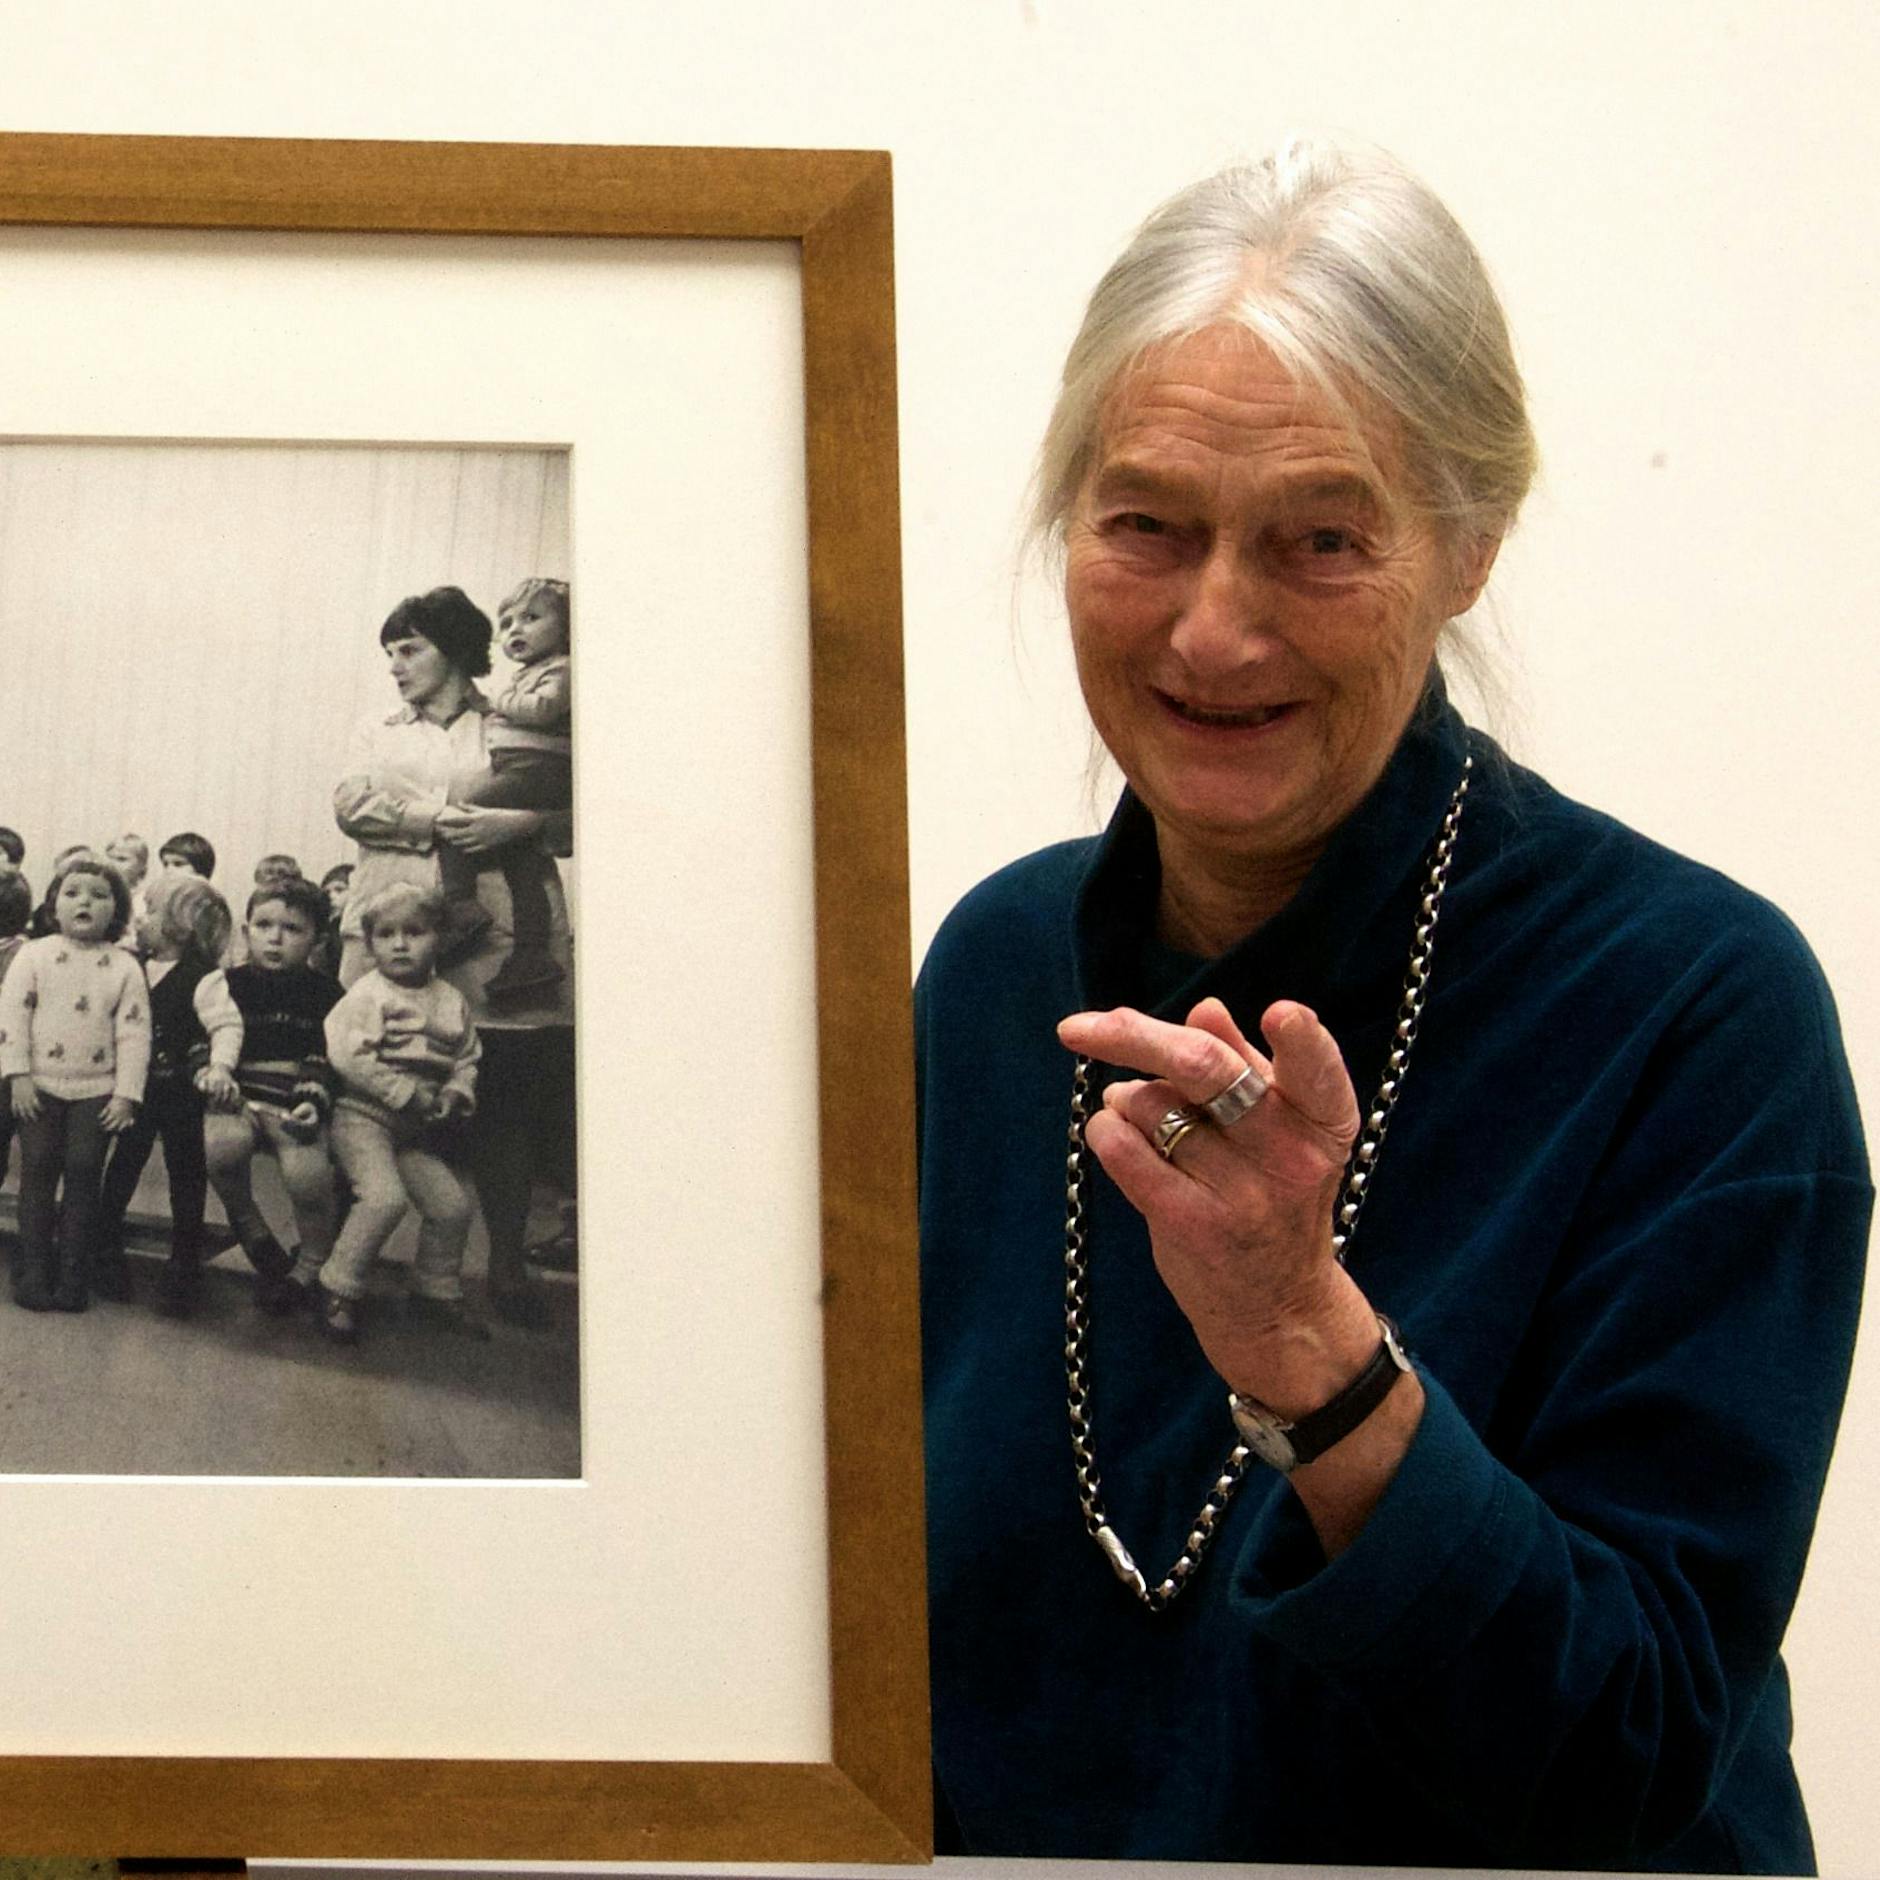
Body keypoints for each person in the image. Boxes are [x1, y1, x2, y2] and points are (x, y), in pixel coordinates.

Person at [916, 141, 1871, 1874]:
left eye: (1320, 540)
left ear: (1469, 547)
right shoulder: (997, 974)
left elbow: (1633, 1751)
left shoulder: (1697, 1010)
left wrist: (1312, 1354)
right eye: (1147, 524)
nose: (1214, 630)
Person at [332, 584, 576, 1329]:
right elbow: (351, 806)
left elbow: (579, 811)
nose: (397, 667)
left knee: (500, 1102)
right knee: (367, 1097)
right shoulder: (378, 727)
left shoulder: (516, 718)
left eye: (410, 650)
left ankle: (505, 1269)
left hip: (497, 937)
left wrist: (521, 822)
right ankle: (353, 1270)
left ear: (455, 649)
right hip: (389, 924)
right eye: (390, 654)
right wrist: (441, 819)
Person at [318, 883, 483, 1344]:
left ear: (440, 938)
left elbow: (467, 1057)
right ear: (369, 944)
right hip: (363, 1117)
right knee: (383, 1198)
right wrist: (407, 1093)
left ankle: (434, 1288)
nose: (400, 943)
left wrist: (455, 1092)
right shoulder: (368, 995)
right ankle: (337, 1287)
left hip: (416, 1127)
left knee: (451, 1206)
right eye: (386, 934)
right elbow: (348, 1057)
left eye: (415, 932)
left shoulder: (450, 999)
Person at [0, 854, 150, 1310]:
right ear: (53, 905)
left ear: (117, 910)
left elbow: (135, 1031)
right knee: (39, 1171)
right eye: (73, 893)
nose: (85, 901)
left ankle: (72, 1273)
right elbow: (12, 1018)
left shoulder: (125, 966)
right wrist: (19, 1077)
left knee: (85, 1174)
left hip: (97, 1093)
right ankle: (33, 1268)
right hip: (38, 1088)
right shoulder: (34, 955)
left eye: (99, 895)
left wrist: (126, 1094)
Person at [196, 874, 341, 1311]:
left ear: (317, 939)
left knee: (307, 1174)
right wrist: (209, 1076)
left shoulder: (326, 994)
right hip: (235, 1095)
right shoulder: (226, 984)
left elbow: (329, 1056)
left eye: (292, 929)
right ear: (246, 931)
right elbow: (201, 1039)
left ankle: (313, 1262)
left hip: (294, 1098)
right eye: (263, 926)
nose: (275, 939)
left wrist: (311, 1101)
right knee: (221, 1147)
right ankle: (250, 1228)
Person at [93, 871, 235, 1315]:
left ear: (179, 925)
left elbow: (226, 1025)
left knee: (186, 1176)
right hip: (135, 1089)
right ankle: (104, 1246)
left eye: (150, 912)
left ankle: (184, 1263)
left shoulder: (204, 978)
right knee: (123, 1168)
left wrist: (220, 1066)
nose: (141, 920)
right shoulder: (130, 964)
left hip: (180, 1094)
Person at [433, 575, 572, 1009]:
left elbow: (544, 708)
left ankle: (461, 908)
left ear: (568, 627)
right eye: (508, 622)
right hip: (525, 771)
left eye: (531, 618)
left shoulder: (566, 669)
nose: (516, 630)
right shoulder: (531, 673)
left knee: (455, 816)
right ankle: (531, 954)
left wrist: (496, 703)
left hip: (538, 770)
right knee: (522, 866)